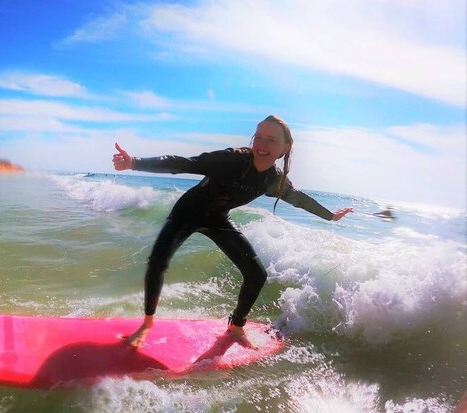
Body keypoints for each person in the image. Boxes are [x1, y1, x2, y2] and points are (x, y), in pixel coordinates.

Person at [112, 115, 353, 349]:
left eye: (271, 140)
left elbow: (300, 200)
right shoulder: (231, 160)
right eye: (258, 137)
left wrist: (330, 216)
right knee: (157, 261)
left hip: (218, 219)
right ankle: (147, 323)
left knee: (257, 274)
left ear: (284, 148)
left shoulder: (273, 180)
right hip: (187, 212)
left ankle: (236, 326)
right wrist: (134, 162)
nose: (261, 145)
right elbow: (184, 163)